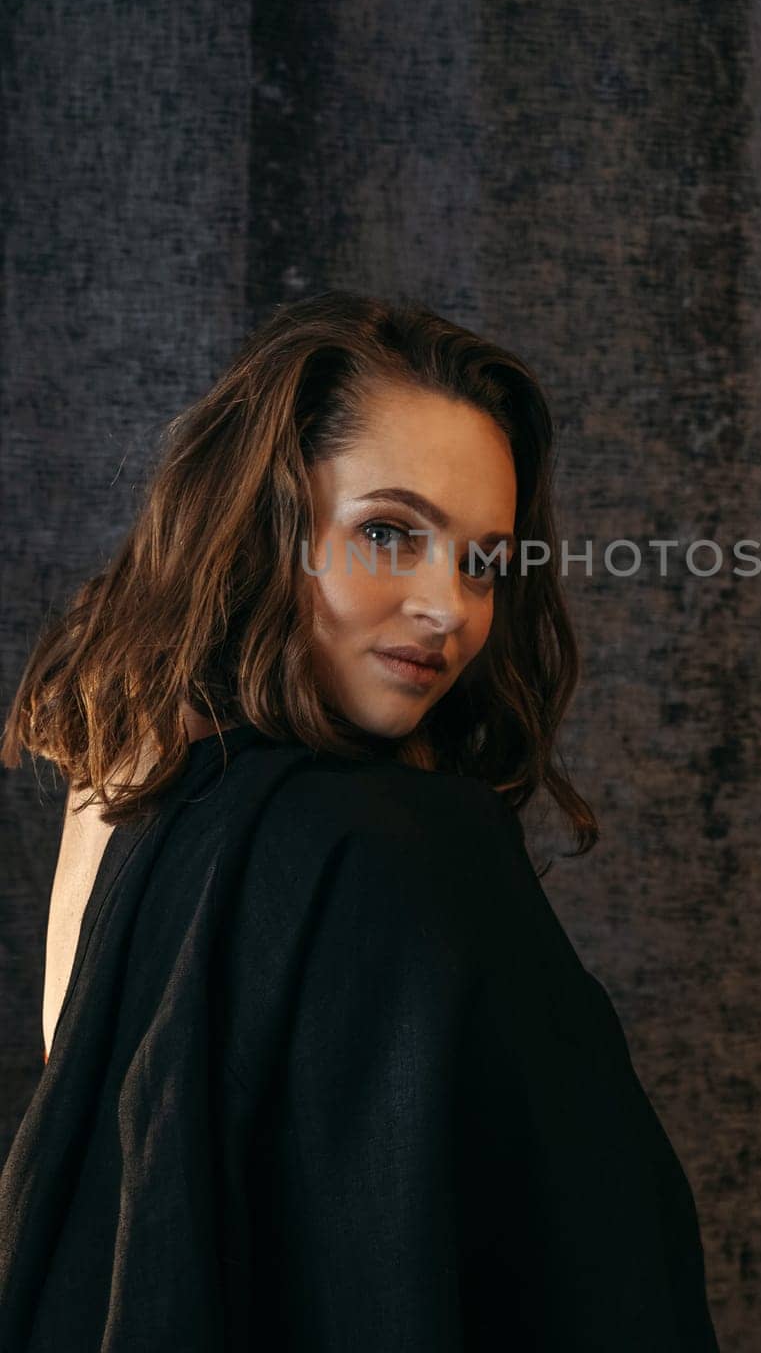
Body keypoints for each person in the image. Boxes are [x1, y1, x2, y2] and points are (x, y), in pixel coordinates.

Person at [0, 291, 722, 1351]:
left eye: (483, 560)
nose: (450, 608)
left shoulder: (122, 796)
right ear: (263, 525)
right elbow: (605, 1272)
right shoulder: (403, 846)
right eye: (390, 532)